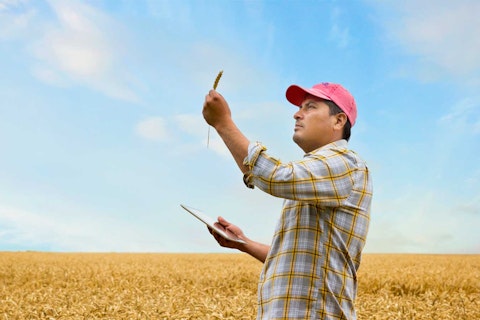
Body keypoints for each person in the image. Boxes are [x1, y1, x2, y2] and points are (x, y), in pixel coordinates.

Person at [202, 82, 373, 319]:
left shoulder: (344, 162)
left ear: (338, 121)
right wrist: (243, 242)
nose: (297, 113)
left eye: (310, 107)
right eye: (300, 107)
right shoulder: (317, 178)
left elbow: (275, 176)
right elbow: (295, 261)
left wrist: (223, 123)